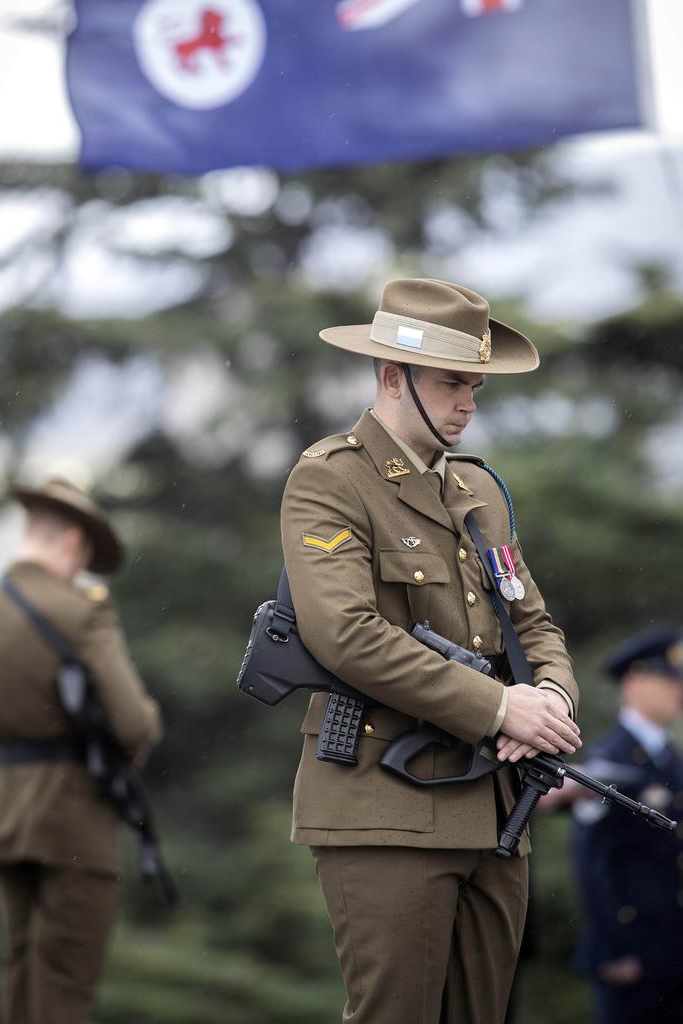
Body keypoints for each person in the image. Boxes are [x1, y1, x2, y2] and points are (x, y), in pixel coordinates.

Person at [280, 277, 581, 1024]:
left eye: (474, 385)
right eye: (451, 383)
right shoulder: (332, 478)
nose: (468, 403)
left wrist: (551, 701)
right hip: (383, 805)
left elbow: (534, 625)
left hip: (494, 809)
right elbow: (344, 632)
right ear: (392, 375)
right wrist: (497, 706)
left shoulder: (477, 490)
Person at [0, 478, 162, 1024]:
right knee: (64, 982)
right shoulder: (80, 610)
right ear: (70, 541)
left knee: (18, 968)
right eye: (84, 555)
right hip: (71, 817)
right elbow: (133, 724)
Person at [570, 627, 683, 1024]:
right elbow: (591, 861)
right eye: (668, 679)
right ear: (634, 681)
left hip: (673, 944)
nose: (678, 690)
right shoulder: (610, 760)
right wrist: (613, 948)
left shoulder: (669, 758)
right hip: (632, 947)